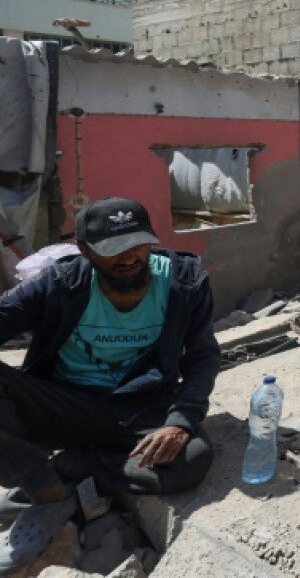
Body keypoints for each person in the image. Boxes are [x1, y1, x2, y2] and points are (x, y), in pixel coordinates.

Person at [0, 197, 219, 573]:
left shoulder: (184, 283)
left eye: (139, 245)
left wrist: (180, 420)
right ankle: (43, 486)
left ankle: (76, 468)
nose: (130, 257)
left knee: (192, 459)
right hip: (63, 404)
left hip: (139, 407)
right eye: (114, 250)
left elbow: (202, 356)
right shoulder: (58, 283)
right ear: (84, 250)